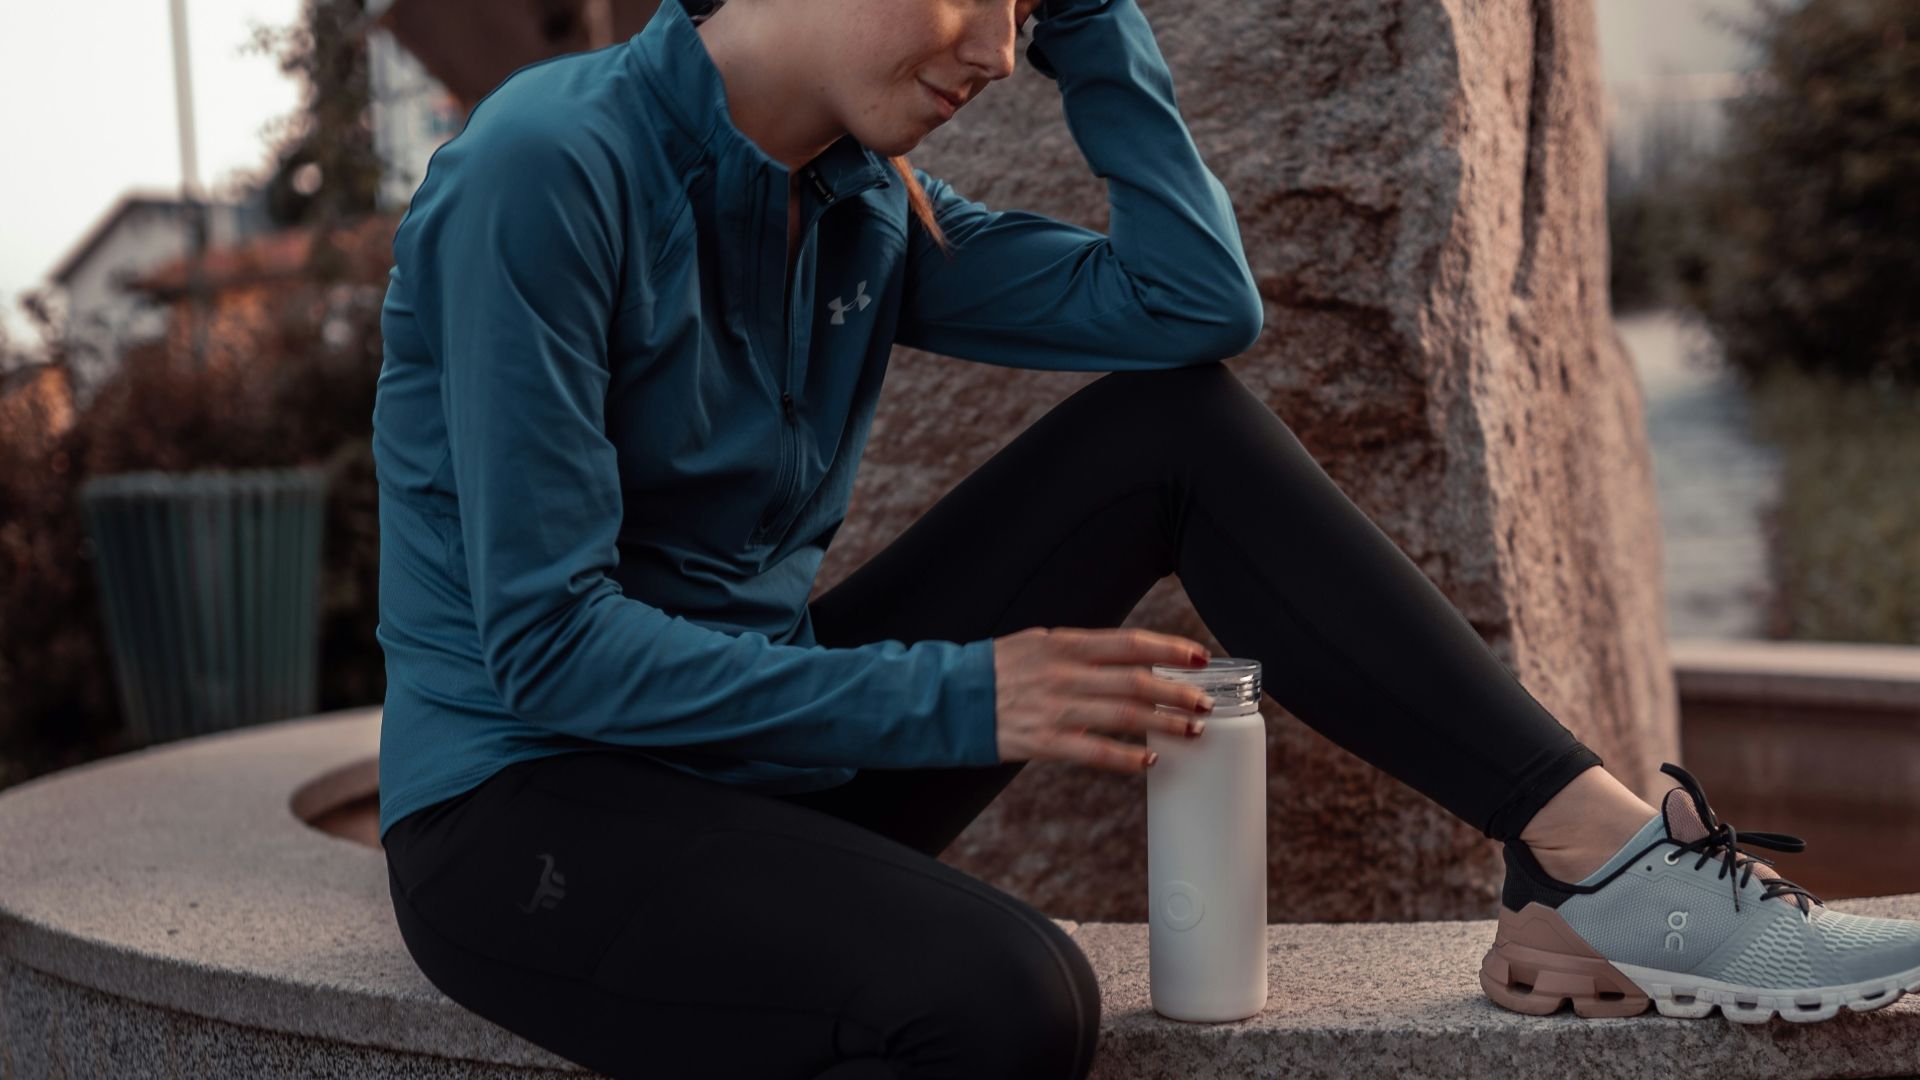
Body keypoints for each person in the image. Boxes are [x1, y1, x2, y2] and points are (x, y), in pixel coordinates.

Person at [371, 0, 1920, 1074]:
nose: (997, 46)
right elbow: (550, 648)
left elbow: (1190, 310)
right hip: (531, 810)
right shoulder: (544, 172)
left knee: (1167, 428)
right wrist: (968, 696)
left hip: (750, 763)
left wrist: (1102, 23)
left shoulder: (855, 203)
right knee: (1010, 1004)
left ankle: (1591, 858)